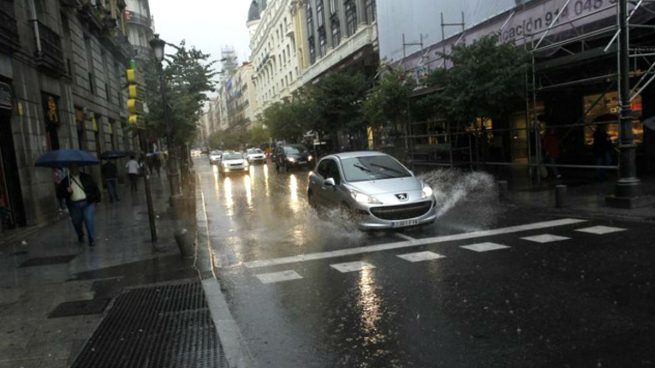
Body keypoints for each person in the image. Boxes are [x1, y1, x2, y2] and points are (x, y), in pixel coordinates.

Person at [57, 164, 100, 247]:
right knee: (76, 222)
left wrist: (97, 200)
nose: (74, 169)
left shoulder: (86, 177)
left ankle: (91, 239)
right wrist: (67, 191)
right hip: (74, 205)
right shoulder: (66, 181)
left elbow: (95, 188)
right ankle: (80, 234)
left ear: (78, 168)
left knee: (89, 219)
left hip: (87, 203)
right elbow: (59, 194)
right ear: (69, 168)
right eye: (72, 167)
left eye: (75, 167)